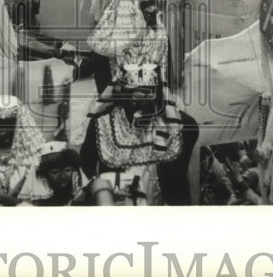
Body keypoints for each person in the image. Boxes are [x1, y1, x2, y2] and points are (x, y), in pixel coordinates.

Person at [79, 63, 198, 206]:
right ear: (123, 94)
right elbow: (86, 170)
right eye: (135, 93)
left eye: (149, 91)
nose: (143, 97)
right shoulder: (101, 126)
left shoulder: (181, 126)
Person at [87, 0, 170, 93]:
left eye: (151, 0)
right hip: (117, 95)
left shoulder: (157, 30)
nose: (153, 7)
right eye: (145, 0)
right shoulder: (105, 35)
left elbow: (163, 69)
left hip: (148, 95)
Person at [0, 96, 49, 206]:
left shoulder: (33, 159)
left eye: (2, 125)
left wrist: (3, 199)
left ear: (17, 127)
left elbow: (38, 207)